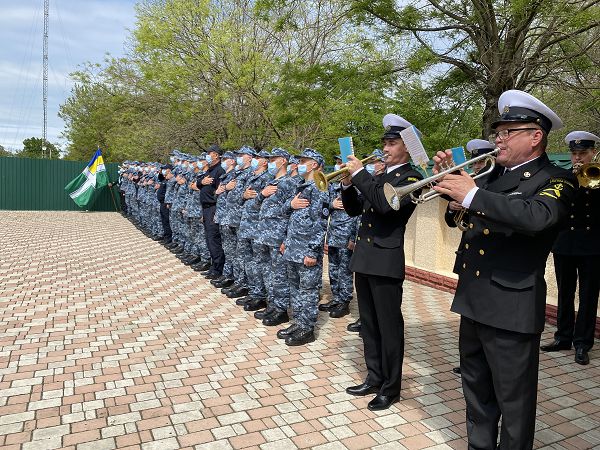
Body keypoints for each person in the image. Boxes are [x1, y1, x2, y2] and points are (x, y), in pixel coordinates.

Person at [432, 90, 576, 449]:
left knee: (514, 402)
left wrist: (472, 194)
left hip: (511, 305)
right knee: (476, 392)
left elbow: (537, 218)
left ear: (535, 136)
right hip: (474, 298)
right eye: (497, 133)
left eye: (506, 132)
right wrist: (451, 189)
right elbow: (459, 220)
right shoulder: (491, 177)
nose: (498, 139)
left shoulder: (556, 179)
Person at [340, 114, 423, 411]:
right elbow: (353, 210)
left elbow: (386, 207)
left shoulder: (412, 178)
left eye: (392, 143)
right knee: (370, 326)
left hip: (386, 260)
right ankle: (374, 376)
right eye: (384, 143)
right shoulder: (379, 176)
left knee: (389, 328)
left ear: (407, 148)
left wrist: (361, 174)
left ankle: (392, 387)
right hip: (365, 258)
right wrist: (349, 184)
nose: (385, 148)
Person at [541, 131, 600, 365]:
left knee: (588, 296)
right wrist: (574, 180)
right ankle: (563, 336)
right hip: (565, 243)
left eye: (583, 153)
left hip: (593, 246)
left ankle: (583, 343)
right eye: (574, 153)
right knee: (565, 292)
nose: (578, 158)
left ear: (593, 153)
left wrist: (589, 181)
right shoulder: (563, 176)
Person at [278, 149, 330, 346]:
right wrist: (285, 240)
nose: (299, 164)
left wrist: (312, 251)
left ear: (314, 164)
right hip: (292, 246)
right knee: (295, 287)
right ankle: (298, 322)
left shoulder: (320, 187)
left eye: (304, 161)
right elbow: (285, 213)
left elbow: (320, 223)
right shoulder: (301, 186)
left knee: (307, 290)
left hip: (306, 249)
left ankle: (307, 329)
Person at [197, 144, 227, 279]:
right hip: (206, 208)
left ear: (216, 155)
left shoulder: (220, 170)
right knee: (209, 239)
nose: (207, 156)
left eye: (209, 153)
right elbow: (198, 183)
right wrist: (202, 182)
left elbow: (219, 192)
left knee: (214, 239)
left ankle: (218, 268)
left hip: (213, 207)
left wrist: (216, 211)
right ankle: (213, 265)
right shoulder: (209, 170)